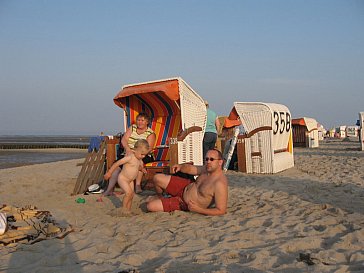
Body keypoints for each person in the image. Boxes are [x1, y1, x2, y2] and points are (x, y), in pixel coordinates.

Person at [146, 149, 228, 216]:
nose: (208, 162)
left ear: (220, 162)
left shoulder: (219, 183)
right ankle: (161, 197)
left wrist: (198, 209)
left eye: (212, 159)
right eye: (206, 159)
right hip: (184, 186)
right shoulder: (206, 169)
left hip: (184, 203)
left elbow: (221, 210)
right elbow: (191, 169)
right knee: (157, 178)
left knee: (150, 206)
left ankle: (165, 199)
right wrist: (181, 167)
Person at [104, 112, 156, 194]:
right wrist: (128, 149)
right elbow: (124, 139)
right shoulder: (132, 128)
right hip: (129, 152)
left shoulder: (151, 133)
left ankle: (137, 186)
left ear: (147, 122)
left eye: (142, 120)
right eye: (138, 120)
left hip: (144, 154)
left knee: (138, 161)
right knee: (117, 167)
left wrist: (136, 154)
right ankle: (109, 190)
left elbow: (149, 148)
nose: (140, 122)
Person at [103, 139, 149, 214]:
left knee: (131, 194)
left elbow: (138, 167)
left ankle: (128, 209)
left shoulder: (139, 159)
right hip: (123, 179)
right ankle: (123, 209)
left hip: (131, 180)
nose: (143, 156)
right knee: (128, 193)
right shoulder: (130, 157)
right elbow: (117, 163)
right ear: (135, 150)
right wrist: (109, 173)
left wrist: (142, 169)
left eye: (145, 155)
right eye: (142, 154)